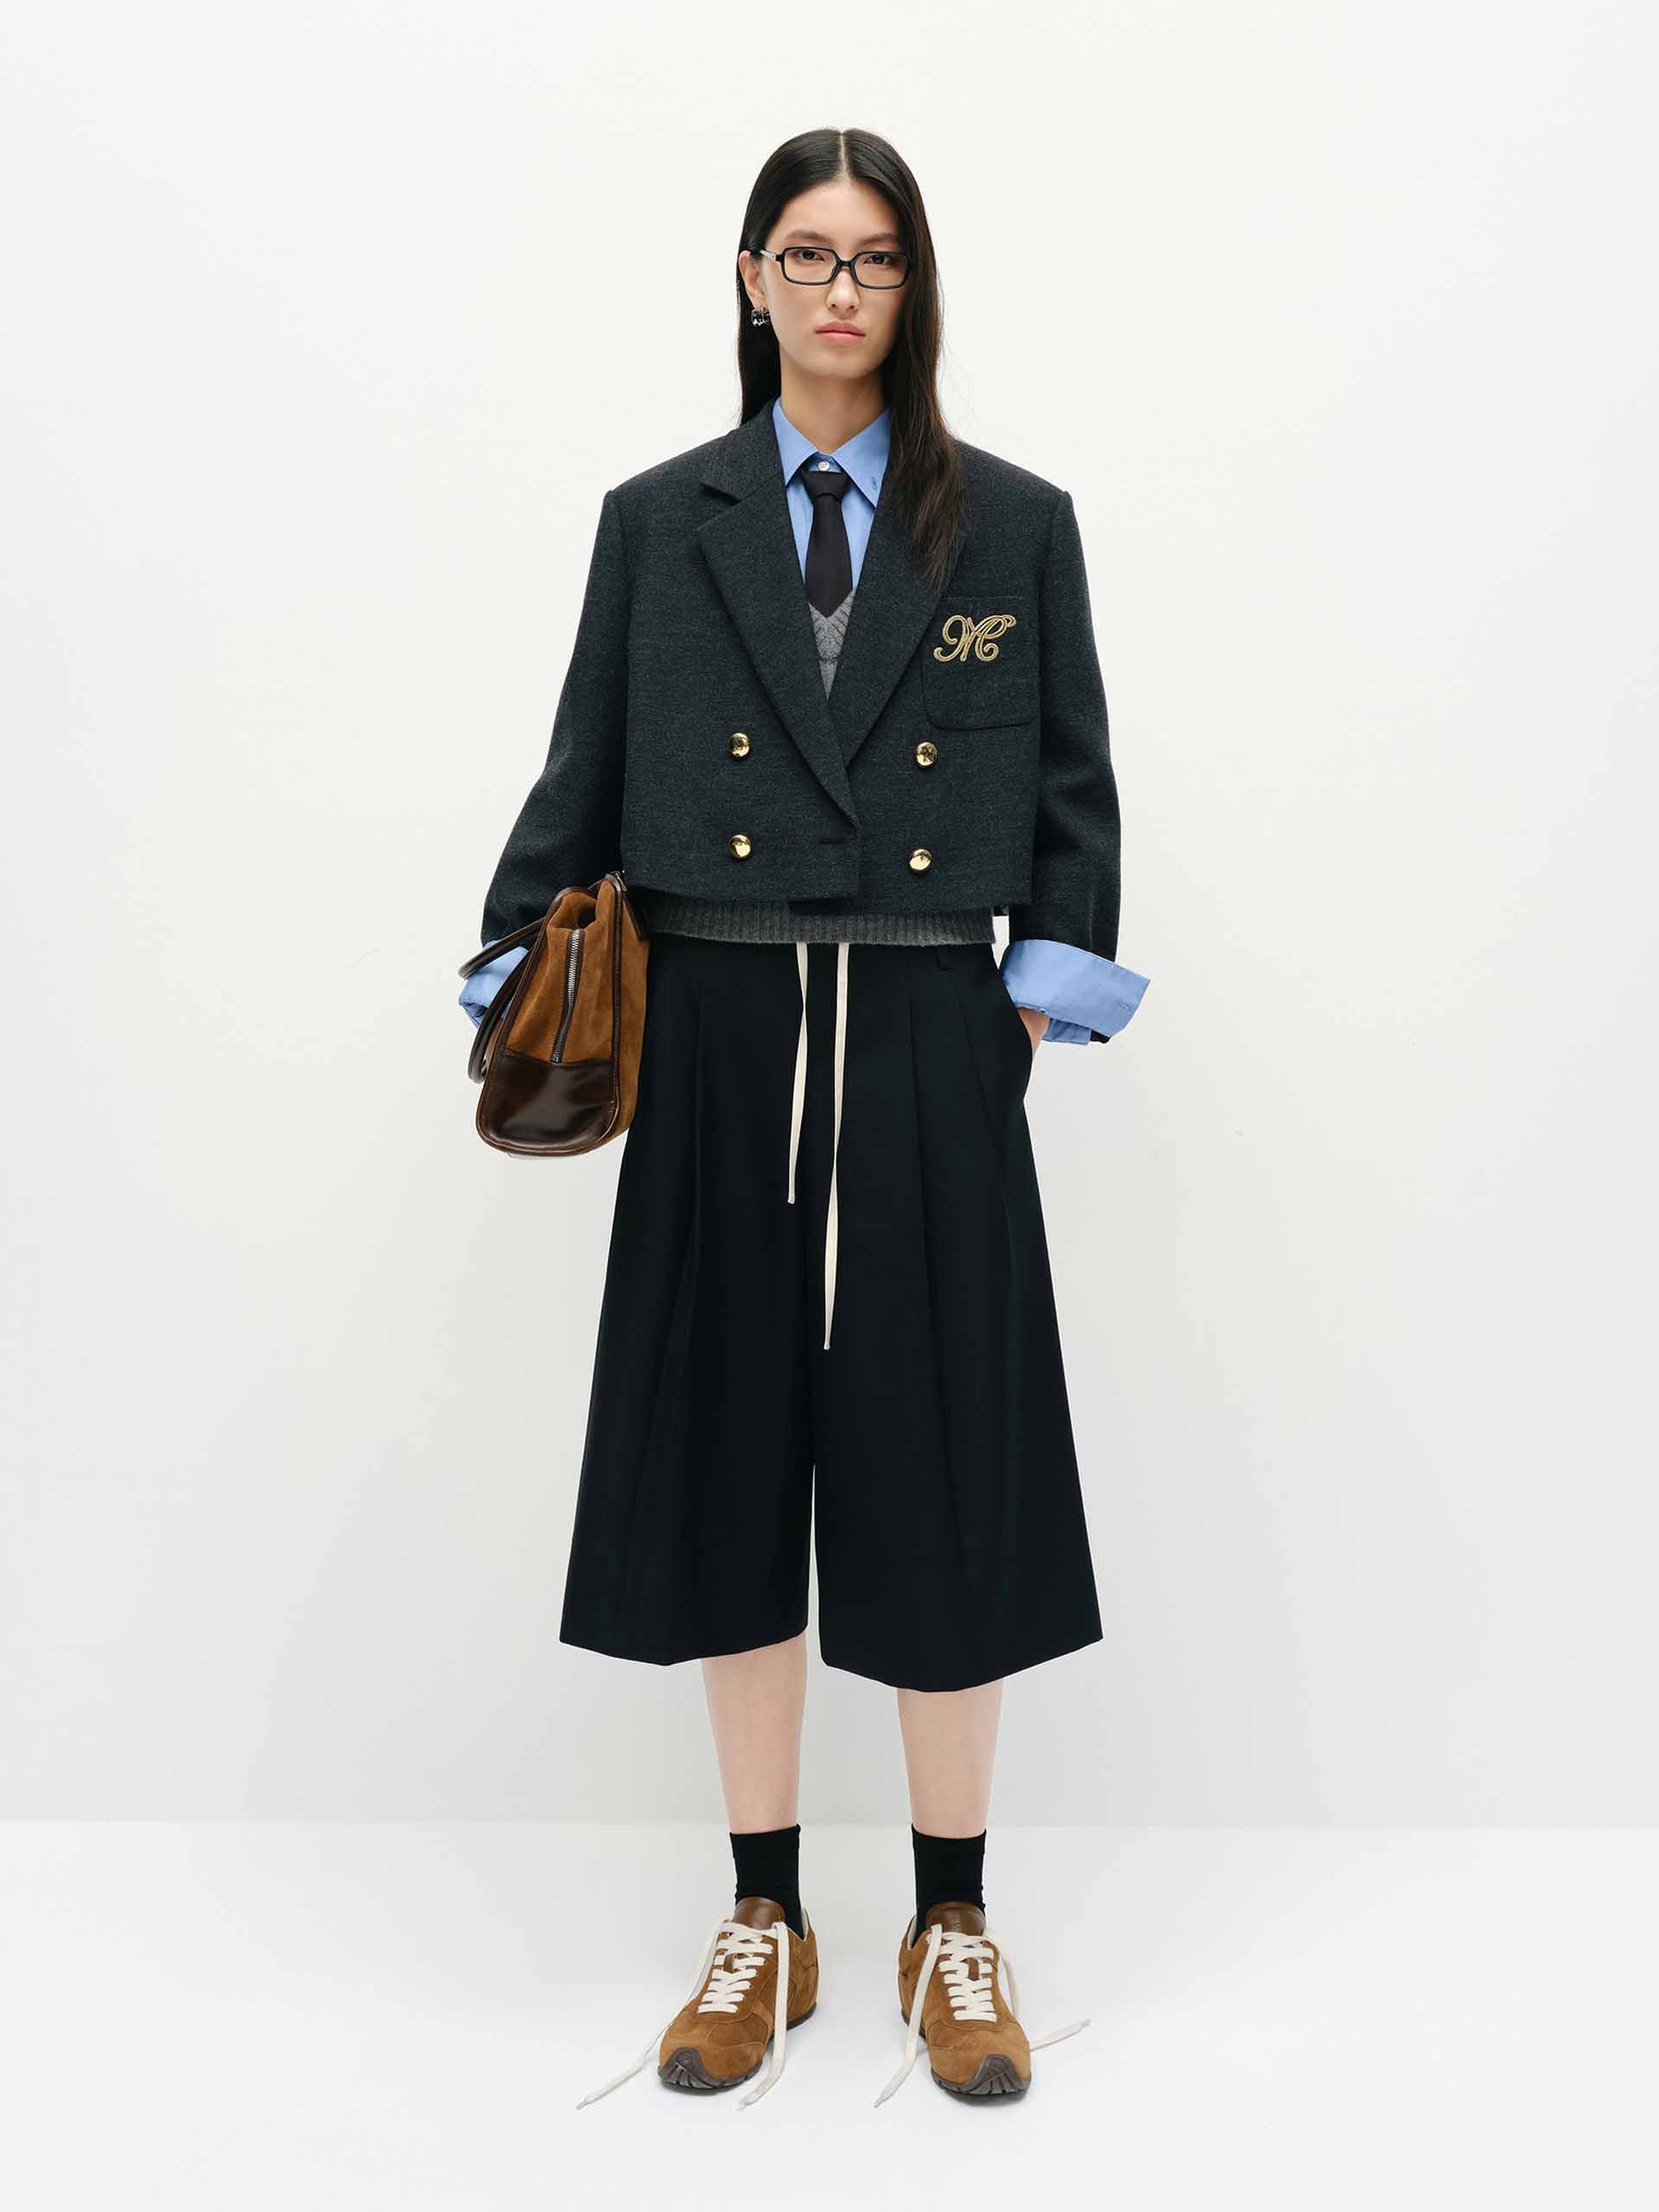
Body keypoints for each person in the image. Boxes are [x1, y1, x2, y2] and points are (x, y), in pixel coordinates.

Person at [459, 126, 1150, 2110]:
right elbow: (586, 764)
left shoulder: (1015, 523)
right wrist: (521, 963)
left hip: (932, 1020)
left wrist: (1029, 1001)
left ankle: (953, 1918)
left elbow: (1074, 789)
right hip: (716, 1023)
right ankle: (764, 1909)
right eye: (808, 253)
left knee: (949, 1470)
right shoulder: (655, 520)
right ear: (751, 277)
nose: (843, 289)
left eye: (877, 257)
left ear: (913, 287)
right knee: (724, 1461)